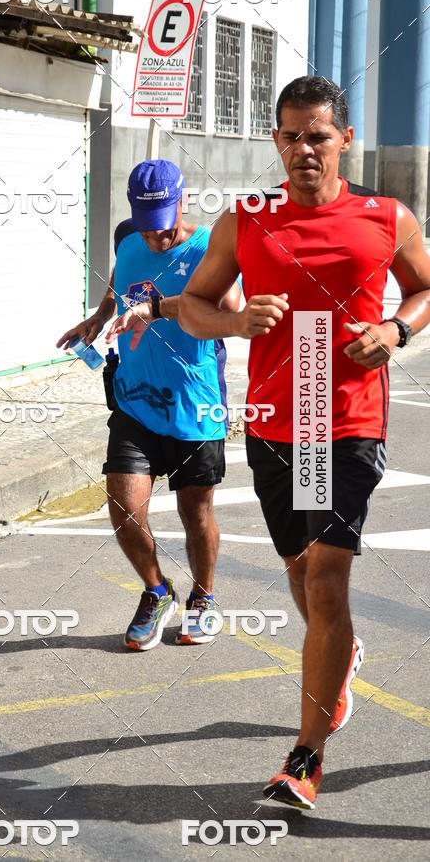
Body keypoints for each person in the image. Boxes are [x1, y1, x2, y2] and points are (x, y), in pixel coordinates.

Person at [179, 76, 430, 809]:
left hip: (343, 421)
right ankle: (341, 651)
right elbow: (194, 304)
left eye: (316, 135)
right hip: (273, 424)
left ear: (344, 140)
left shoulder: (386, 215)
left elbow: (425, 290)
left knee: (326, 581)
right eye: (289, 136)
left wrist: (396, 330)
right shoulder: (247, 219)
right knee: (300, 573)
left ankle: (305, 758)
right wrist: (234, 322)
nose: (302, 150)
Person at [57, 159, 240, 650]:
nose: (155, 239)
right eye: (145, 226)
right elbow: (121, 285)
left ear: (182, 202)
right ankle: (157, 591)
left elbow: (233, 315)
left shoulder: (210, 248)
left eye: (161, 228)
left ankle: (202, 598)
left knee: (195, 515)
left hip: (194, 404)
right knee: (122, 502)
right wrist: (96, 321)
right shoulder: (129, 237)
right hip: (134, 398)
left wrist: (161, 308)